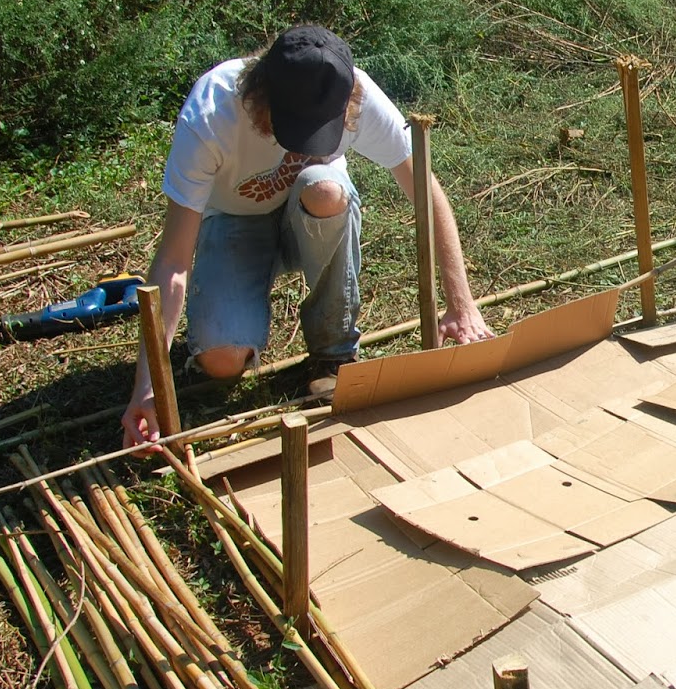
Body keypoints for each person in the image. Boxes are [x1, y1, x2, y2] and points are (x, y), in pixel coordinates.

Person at [121, 25, 493, 450]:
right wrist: (147, 390)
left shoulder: (353, 91)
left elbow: (427, 193)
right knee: (221, 362)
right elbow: (172, 262)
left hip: (316, 212)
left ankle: (333, 351)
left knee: (324, 186)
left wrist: (462, 307)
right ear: (260, 96)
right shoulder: (212, 112)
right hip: (236, 219)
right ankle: (238, 311)